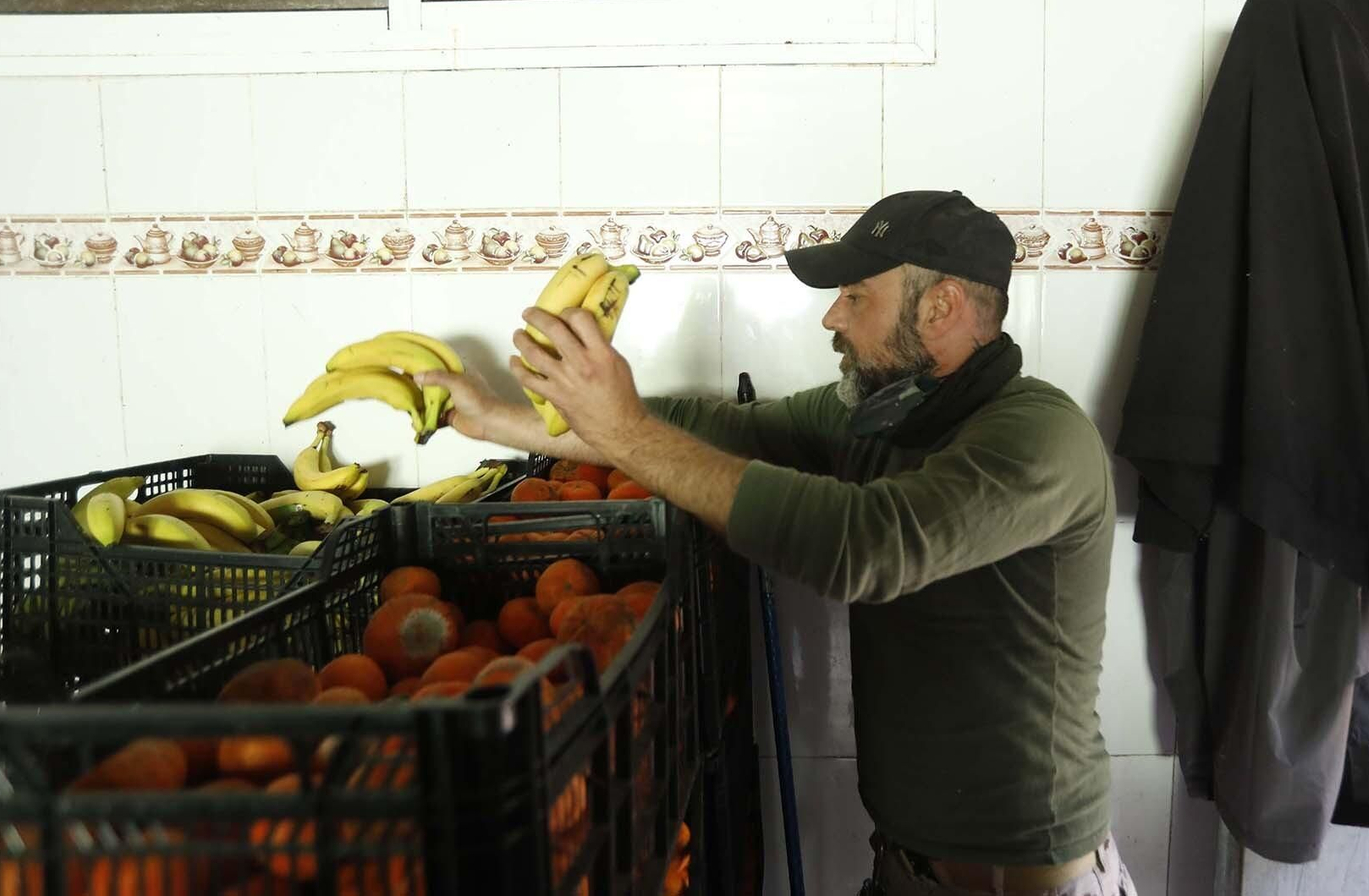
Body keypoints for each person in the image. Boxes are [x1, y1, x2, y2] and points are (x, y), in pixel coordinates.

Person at [420, 190, 1135, 896]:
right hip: (909, 868)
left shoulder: (1039, 439)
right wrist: (500, 421)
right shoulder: (886, 418)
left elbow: (863, 547)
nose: (832, 316)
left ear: (940, 305)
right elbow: (718, 430)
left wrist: (624, 430)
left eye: (856, 295)